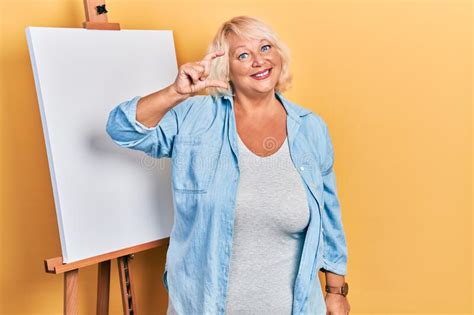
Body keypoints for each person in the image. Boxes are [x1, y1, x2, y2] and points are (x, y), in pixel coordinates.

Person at [106, 15, 350, 315]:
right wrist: (175, 92)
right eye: (243, 55)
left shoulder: (311, 129)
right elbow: (122, 129)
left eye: (265, 47)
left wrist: (336, 291)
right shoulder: (196, 118)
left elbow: (329, 215)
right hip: (203, 306)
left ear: (279, 56)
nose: (259, 61)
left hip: (297, 307)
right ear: (228, 69)